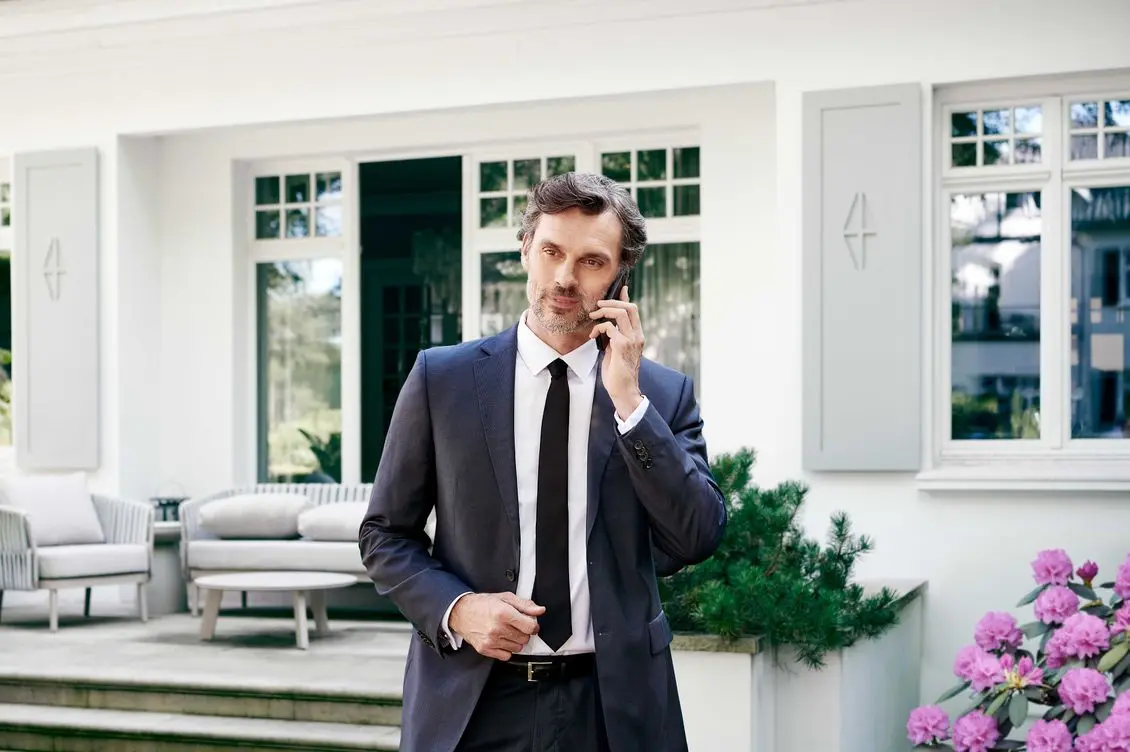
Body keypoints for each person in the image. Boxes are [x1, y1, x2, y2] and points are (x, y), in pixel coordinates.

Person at [359, 171, 726, 752]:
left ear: (620, 275)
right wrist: (457, 610)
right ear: (526, 248)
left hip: (615, 708)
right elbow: (384, 534)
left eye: (591, 261)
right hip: (474, 703)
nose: (564, 277)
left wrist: (629, 403)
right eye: (552, 251)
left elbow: (697, 535)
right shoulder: (442, 379)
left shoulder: (661, 394)